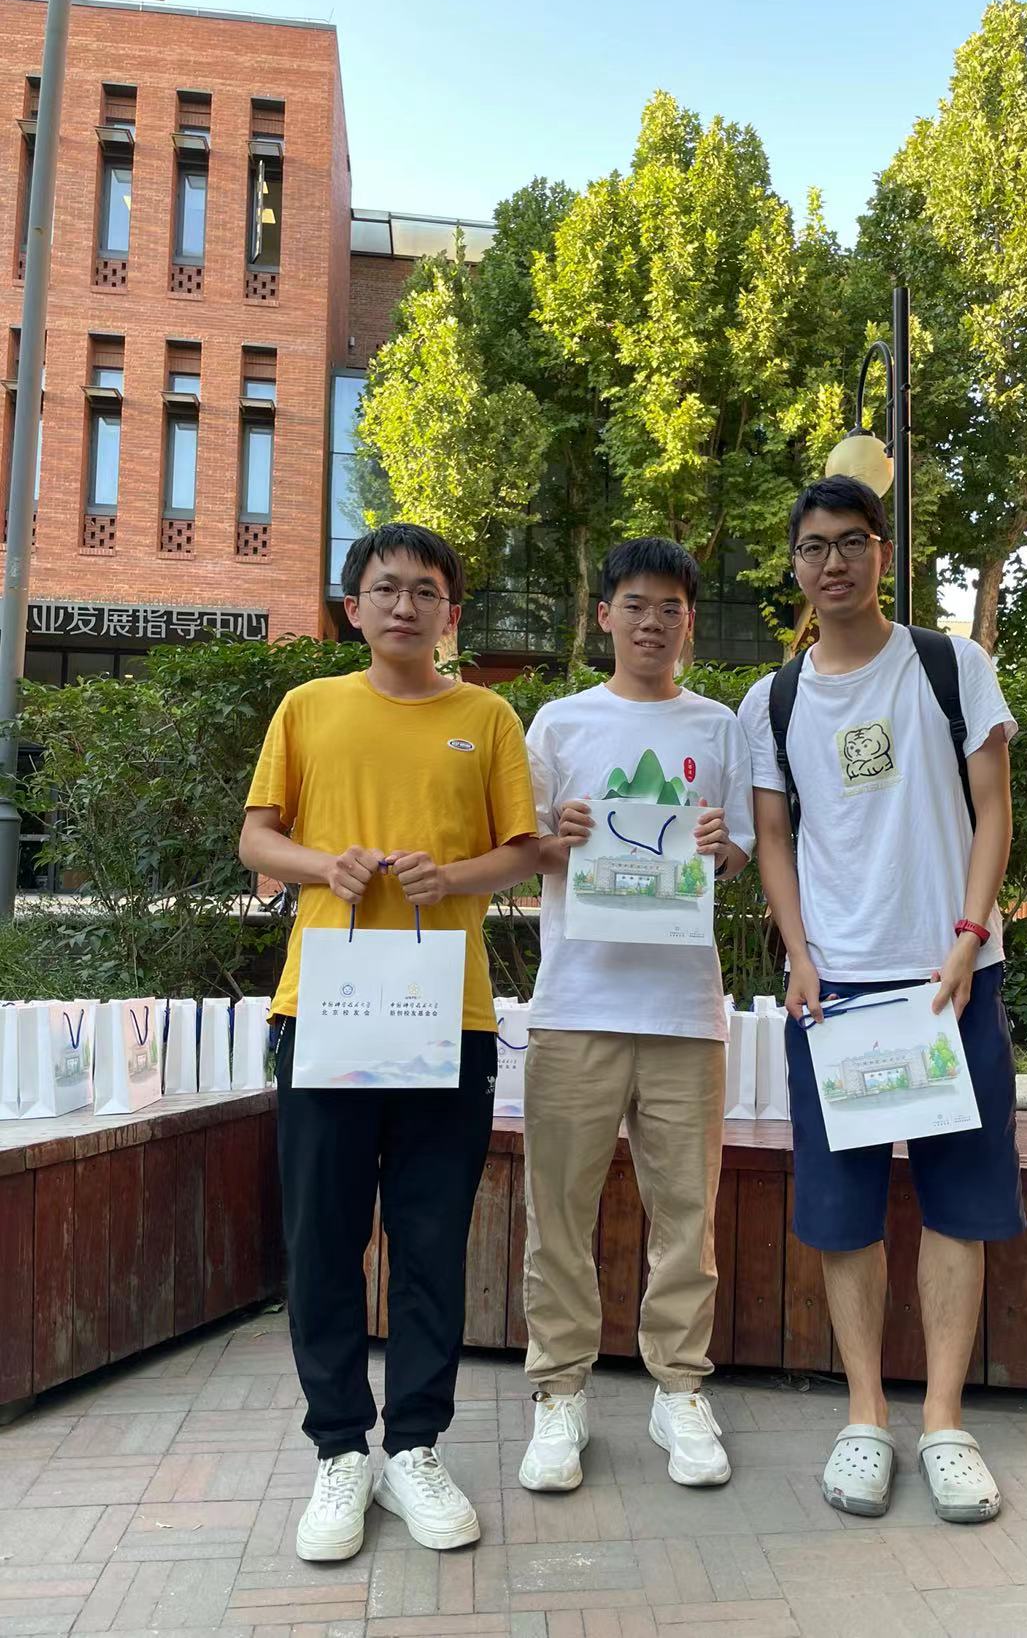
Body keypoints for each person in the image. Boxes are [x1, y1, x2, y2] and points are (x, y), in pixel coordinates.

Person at [239, 523, 539, 1562]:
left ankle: (414, 1446)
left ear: (450, 612)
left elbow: (522, 852)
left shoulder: (486, 716)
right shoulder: (307, 707)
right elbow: (257, 836)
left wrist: (448, 877)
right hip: (323, 1007)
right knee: (321, 1236)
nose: (404, 605)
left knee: (429, 1239)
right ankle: (339, 1449)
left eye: (425, 590)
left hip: (445, 1018)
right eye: (384, 588)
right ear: (351, 607)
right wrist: (325, 865)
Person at [738, 475, 1022, 1525]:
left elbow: (993, 810)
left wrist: (968, 937)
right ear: (795, 565)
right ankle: (865, 1417)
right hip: (838, 994)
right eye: (814, 547)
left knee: (959, 1204)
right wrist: (798, 952)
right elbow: (774, 837)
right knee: (842, 1211)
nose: (834, 563)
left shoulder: (950, 665)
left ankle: (943, 1422)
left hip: (952, 980)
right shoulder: (771, 701)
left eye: (852, 542)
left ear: (883, 553)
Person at [518, 537, 754, 1493]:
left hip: (684, 1010)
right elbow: (520, 848)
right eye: (636, 605)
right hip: (576, 1004)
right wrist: (559, 838)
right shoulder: (560, 723)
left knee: (687, 1216)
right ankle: (558, 1391)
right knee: (558, 1213)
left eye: (670, 608)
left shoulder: (720, 726)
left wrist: (720, 846)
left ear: (688, 623)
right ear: (605, 615)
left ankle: (679, 1387)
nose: (652, 622)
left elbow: (739, 852)